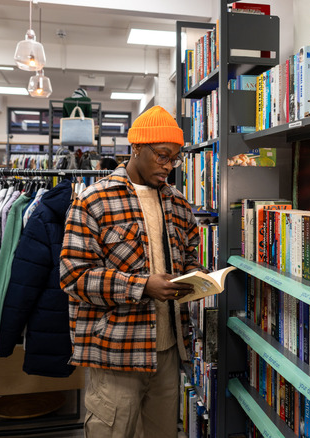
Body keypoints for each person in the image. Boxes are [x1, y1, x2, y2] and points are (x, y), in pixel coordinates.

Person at [60, 105, 200, 438]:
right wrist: (141, 286)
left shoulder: (178, 203)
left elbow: (189, 255)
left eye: (175, 159)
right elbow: (73, 276)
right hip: (116, 353)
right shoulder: (93, 200)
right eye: (162, 156)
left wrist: (195, 277)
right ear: (136, 148)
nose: (168, 167)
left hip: (167, 353)